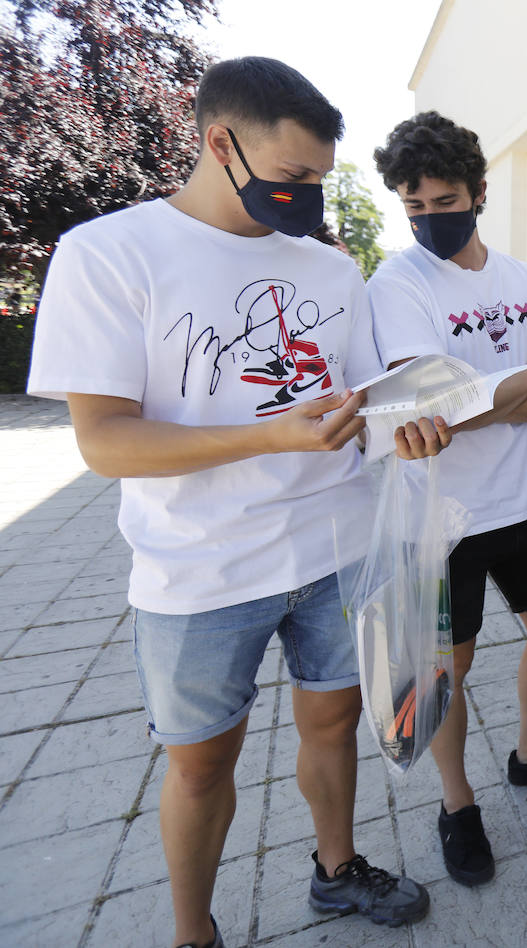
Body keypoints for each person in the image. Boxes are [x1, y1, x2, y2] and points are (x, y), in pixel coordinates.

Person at [26, 58, 442, 948]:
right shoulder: (108, 253)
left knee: (332, 720)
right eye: (293, 178)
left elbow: (361, 399)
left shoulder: (330, 271)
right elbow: (105, 440)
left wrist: (406, 420)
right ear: (221, 142)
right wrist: (272, 435)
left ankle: (336, 871)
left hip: (333, 546)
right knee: (202, 763)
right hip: (196, 571)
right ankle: (193, 932)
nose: (308, 200)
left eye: (321, 182)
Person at [368, 111, 527, 888]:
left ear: (478, 192)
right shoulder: (398, 284)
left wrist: (492, 396)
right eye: (415, 207)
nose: (431, 219)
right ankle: (457, 806)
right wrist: (522, 379)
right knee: (444, 674)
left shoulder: (524, 280)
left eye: (445, 201)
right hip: (442, 519)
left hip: (524, 502)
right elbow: (430, 409)